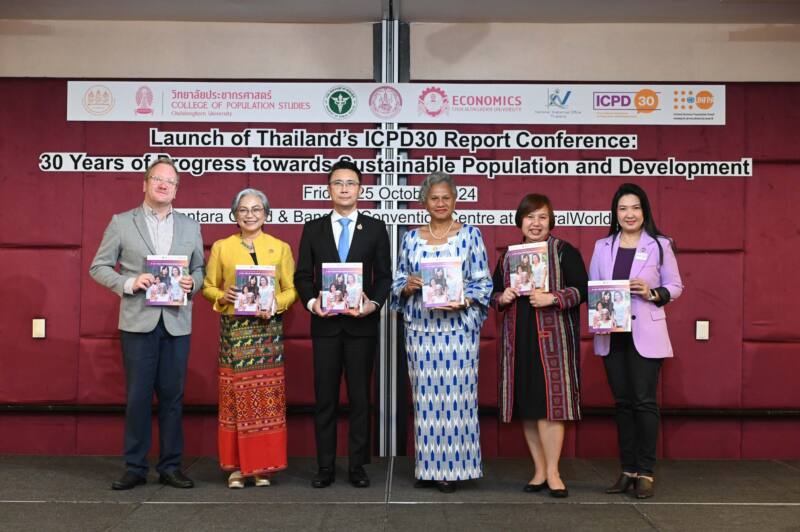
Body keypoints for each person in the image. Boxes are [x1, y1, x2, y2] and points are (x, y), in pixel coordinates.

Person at [89, 157, 204, 490]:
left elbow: (200, 269)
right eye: (157, 179)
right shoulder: (122, 222)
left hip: (176, 324)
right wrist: (129, 282)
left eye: (170, 181)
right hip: (138, 322)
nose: (164, 185)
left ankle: (170, 466)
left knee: (173, 398)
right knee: (138, 397)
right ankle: (135, 467)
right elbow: (99, 267)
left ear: (177, 189)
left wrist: (193, 284)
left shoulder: (190, 226)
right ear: (145, 184)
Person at [391, 172, 492, 494]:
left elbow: (483, 282)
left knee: (457, 399)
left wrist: (465, 300)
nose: (440, 203)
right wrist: (407, 286)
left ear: (455, 200)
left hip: (458, 332)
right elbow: (397, 280)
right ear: (424, 202)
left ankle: (455, 469)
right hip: (421, 331)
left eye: (446, 197)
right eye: (434, 198)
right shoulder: (410, 238)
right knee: (425, 400)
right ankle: (429, 467)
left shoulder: (471, 235)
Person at [294, 159, 392, 489]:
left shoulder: (376, 228)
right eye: (338, 183)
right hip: (325, 327)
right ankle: (325, 466)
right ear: (329, 190)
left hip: (361, 327)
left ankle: (357, 466)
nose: (345, 188)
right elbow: (302, 276)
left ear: (360, 189)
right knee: (325, 399)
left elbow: (384, 277)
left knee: (360, 399)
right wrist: (312, 303)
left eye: (350, 183)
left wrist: (373, 304)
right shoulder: (313, 229)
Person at [589, 183, 683, 499]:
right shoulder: (602, 246)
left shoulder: (660, 245)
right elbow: (594, 286)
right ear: (615, 213)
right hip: (611, 332)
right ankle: (627, 469)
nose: (629, 214)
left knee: (644, 401)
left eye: (635, 207)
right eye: (623, 208)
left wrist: (652, 292)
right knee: (622, 403)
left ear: (644, 211)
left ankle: (646, 471)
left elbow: (676, 285)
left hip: (646, 333)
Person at [492, 193, 587, 498]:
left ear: (551, 221)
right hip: (518, 341)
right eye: (530, 217)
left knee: (550, 407)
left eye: (542, 217)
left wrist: (553, 298)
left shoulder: (564, 252)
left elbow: (583, 290)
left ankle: (554, 472)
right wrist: (503, 297)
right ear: (520, 221)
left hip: (553, 342)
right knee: (528, 407)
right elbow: (493, 294)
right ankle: (539, 470)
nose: (536, 223)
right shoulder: (508, 256)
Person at [202, 188, 298, 489]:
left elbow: (292, 290)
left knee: (265, 401)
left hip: (267, 332)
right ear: (234, 214)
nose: (250, 215)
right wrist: (222, 295)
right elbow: (207, 287)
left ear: (266, 214)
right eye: (243, 209)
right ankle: (236, 468)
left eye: (256, 209)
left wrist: (277, 303)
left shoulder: (280, 247)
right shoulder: (222, 247)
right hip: (235, 331)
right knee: (235, 400)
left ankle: (262, 467)